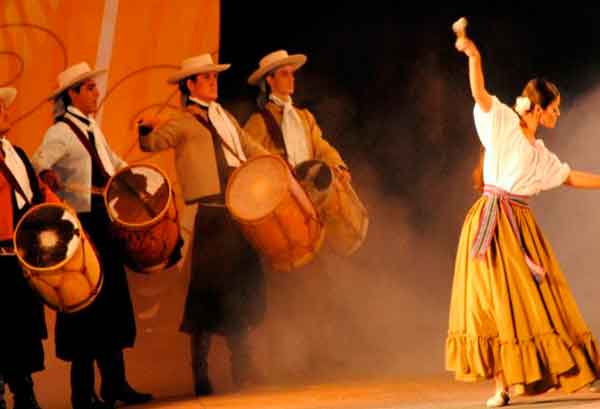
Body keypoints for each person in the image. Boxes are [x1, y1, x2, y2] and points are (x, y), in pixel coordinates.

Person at [445, 31, 600, 407]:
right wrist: (473, 55)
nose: (558, 115)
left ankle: (574, 371)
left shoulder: (540, 154)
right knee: (490, 304)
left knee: (539, 299)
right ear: (536, 107)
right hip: (489, 224)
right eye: (554, 108)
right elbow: (479, 94)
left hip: (519, 226)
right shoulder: (502, 123)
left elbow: (570, 176)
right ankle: (500, 385)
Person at [138, 54, 268, 396]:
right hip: (211, 214)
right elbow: (151, 144)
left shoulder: (223, 116)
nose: (213, 81)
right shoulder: (182, 122)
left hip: (236, 210)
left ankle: (243, 368)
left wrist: (272, 162)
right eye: (206, 78)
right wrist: (145, 126)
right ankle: (201, 374)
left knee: (238, 288)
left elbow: (247, 146)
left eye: (213, 77)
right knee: (206, 293)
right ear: (190, 84)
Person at [32, 62, 152, 409]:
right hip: (82, 224)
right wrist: (46, 175)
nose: (96, 92)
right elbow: (40, 161)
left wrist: (136, 179)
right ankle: (82, 394)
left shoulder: (91, 128)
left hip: (103, 219)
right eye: (89, 88)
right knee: (84, 302)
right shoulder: (61, 132)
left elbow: (113, 163)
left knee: (110, 304)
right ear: (72, 94)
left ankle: (116, 385)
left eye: (95, 87)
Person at [0, 86, 61, 409]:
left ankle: (25, 394)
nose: (4, 111)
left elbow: (38, 192)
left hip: (21, 257)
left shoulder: (17, 153)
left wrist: (61, 212)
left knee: (23, 331)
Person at [244, 50, 349, 181]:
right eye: (284, 74)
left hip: (310, 185)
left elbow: (321, 146)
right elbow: (248, 155)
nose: (291, 78)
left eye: (291, 74)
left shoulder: (305, 117)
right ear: (270, 80)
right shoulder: (259, 120)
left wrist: (337, 165)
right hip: (280, 188)